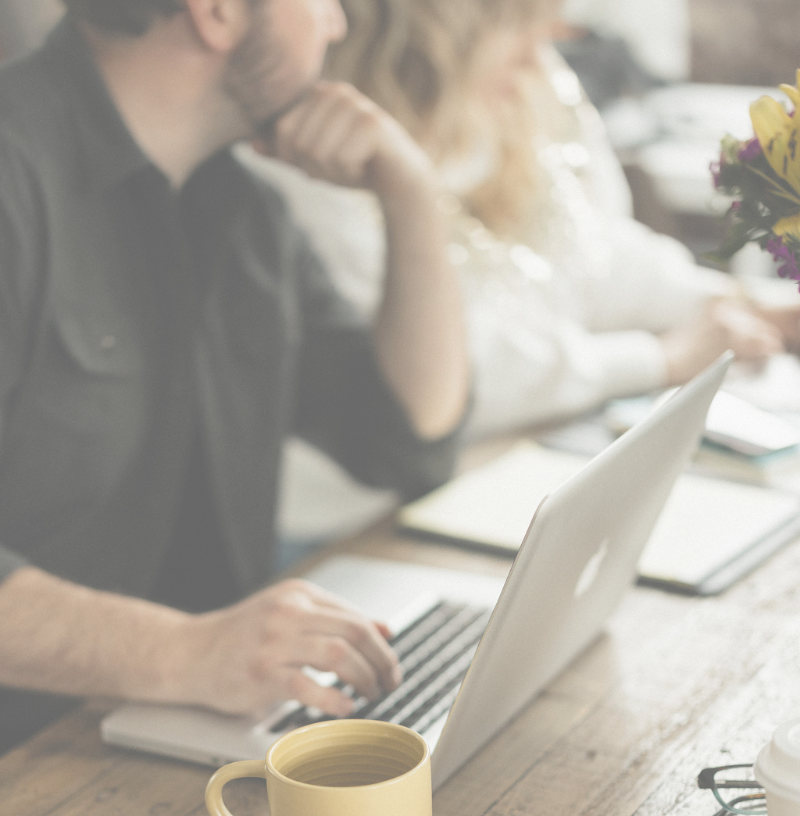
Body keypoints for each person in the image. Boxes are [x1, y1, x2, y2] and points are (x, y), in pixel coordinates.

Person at [0, 0, 471, 751]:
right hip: (35, 760)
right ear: (217, 12)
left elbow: (412, 439)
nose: (338, 23)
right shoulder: (14, 178)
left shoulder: (250, 211)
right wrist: (184, 654)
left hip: (197, 738)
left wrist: (411, 195)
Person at [251, 0, 799, 443]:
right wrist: (660, 359)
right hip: (364, 517)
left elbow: (595, 255)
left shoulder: (532, 80)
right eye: (520, 20)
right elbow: (455, 380)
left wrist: (740, 302)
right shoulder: (319, 154)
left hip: (521, 449)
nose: (556, 35)